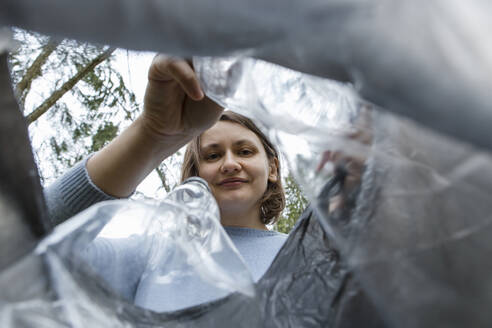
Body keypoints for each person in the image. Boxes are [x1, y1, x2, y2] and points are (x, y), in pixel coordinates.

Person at [44, 55, 288, 312]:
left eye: (245, 152)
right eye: (213, 155)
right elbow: (26, 249)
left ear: (272, 168)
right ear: (197, 174)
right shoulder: (150, 257)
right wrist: (151, 133)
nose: (229, 164)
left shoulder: (314, 257)